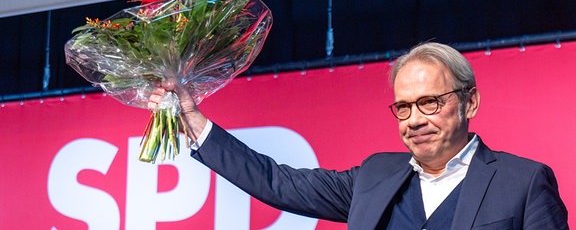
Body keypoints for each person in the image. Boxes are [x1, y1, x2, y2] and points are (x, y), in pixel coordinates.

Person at [148, 42, 568, 229]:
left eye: (430, 102)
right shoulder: (374, 177)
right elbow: (276, 181)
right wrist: (192, 118)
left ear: (470, 103)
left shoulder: (525, 182)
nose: (414, 120)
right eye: (403, 107)